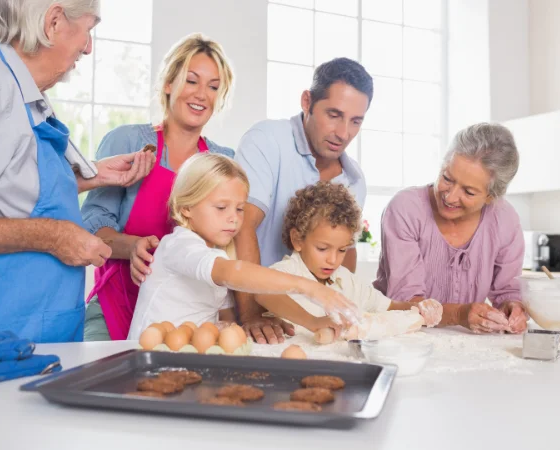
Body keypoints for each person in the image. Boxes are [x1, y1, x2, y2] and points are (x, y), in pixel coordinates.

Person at [0, 0, 155, 344]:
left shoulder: (18, 89)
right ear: (54, 22)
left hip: (6, 323)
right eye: (89, 29)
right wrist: (54, 236)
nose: (88, 47)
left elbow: (4, 187)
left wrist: (93, 176)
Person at [81, 34, 236, 341]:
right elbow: (93, 225)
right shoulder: (127, 142)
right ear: (168, 83)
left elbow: (229, 245)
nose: (202, 94)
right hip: (119, 302)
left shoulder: (223, 161)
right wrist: (131, 247)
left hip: (188, 317)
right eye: (192, 81)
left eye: (214, 86)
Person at [127, 154, 360, 339]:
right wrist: (309, 287)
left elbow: (231, 310)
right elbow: (230, 273)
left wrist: (312, 322)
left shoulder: (218, 252)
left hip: (184, 360)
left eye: (239, 209)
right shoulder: (179, 246)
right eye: (221, 208)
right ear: (186, 207)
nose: (234, 218)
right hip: (149, 358)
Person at [234, 57, 373, 344]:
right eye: (334, 115)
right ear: (307, 101)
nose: (344, 133)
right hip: (249, 313)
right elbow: (242, 226)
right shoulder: (266, 140)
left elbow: (344, 252)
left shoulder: (355, 180)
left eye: (355, 121)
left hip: (309, 324)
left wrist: (340, 311)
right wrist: (251, 314)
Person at [374, 123, 528, 334]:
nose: (450, 196)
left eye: (469, 192)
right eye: (447, 178)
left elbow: (507, 292)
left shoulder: (505, 220)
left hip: (463, 342)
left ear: (491, 197)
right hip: (398, 336)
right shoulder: (405, 209)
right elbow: (403, 300)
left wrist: (513, 308)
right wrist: (458, 314)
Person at [251, 181, 442, 338]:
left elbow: (390, 307)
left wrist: (420, 307)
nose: (333, 260)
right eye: (322, 248)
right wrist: (313, 322)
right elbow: (263, 292)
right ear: (298, 239)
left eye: (342, 249)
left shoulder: (347, 281)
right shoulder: (286, 271)